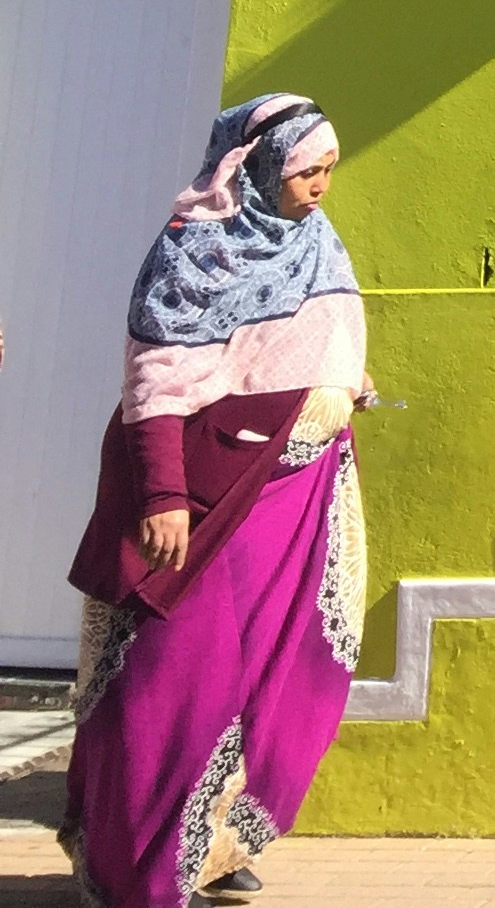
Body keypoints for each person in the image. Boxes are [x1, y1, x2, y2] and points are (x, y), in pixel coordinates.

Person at [61, 95, 371, 907]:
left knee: (278, 682)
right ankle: (140, 869)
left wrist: (347, 383)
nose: (320, 186)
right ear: (258, 168)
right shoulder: (197, 251)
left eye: (329, 169)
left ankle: (216, 845)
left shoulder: (314, 240)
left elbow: (314, 335)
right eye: (307, 170)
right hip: (211, 499)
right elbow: (157, 376)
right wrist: (162, 496)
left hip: (305, 498)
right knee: (176, 680)